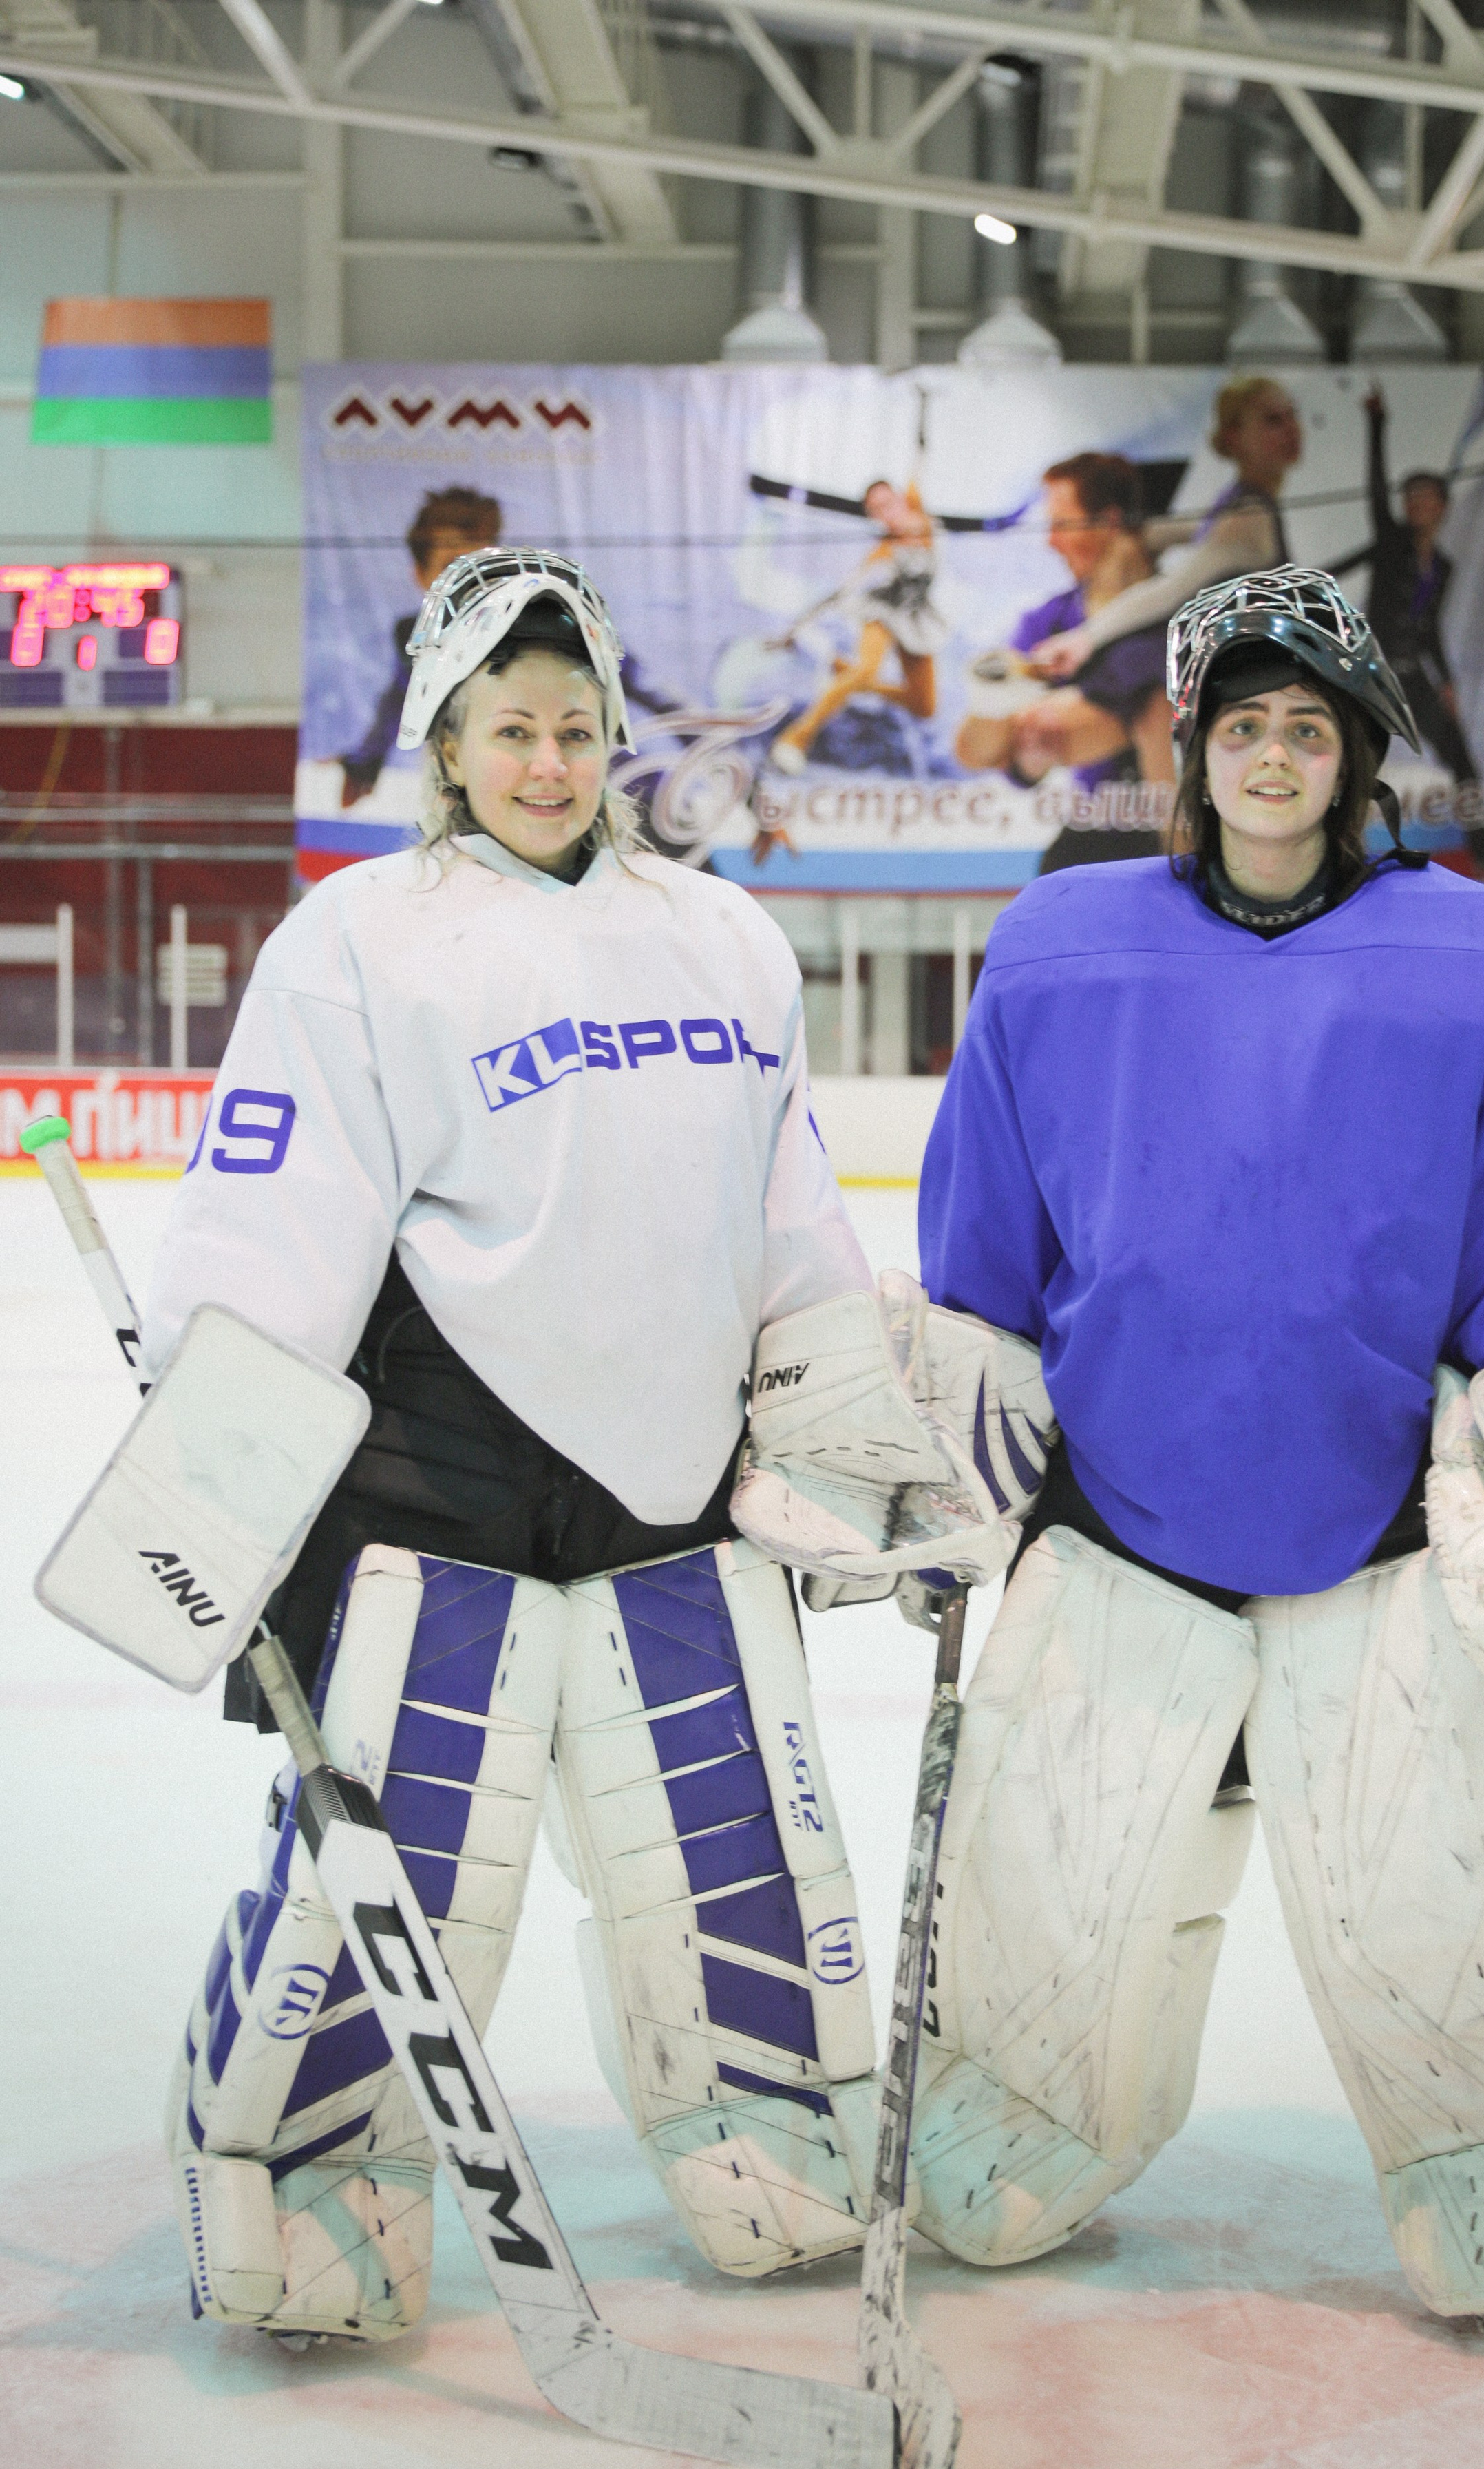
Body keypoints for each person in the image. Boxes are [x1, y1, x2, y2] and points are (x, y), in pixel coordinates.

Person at [145, 547, 921, 2344]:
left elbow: (787, 1210)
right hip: (441, 1479)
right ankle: (311, 2178)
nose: (551, 759)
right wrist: (222, 1475)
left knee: (727, 1835)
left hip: (677, 1486)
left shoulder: (723, 937)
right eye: (513, 726)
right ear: (447, 733)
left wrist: (844, 1421)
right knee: (406, 1855)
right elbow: (271, 1223)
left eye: (576, 727)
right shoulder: (357, 938)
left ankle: (762, 2127)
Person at [889, 566, 1484, 2320]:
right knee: (1050, 1899)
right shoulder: (1061, 947)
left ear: (1352, 756)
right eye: (1237, 724)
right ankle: (1010, 2132)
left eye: (1302, 727)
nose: (1267, 756)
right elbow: (984, 1260)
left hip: (1377, 1532)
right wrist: (950, 1426)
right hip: (1111, 1526)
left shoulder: (1469, 954)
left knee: (1433, 1905)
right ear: (1191, 749)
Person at [953, 452, 1175, 872]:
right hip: (1100, 831)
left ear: (1109, 522)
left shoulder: (1181, 617)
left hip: (1179, 839)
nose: (1049, 542)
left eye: (1060, 524)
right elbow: (974, 751)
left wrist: (1058, 717)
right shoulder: (1050, 621)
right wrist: (1025, 755)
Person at [1024, 376, 1302, 686]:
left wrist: (1087, 637)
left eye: (1293, 415)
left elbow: (1179, 578)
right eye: (1273, 420)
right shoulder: (1242, 508)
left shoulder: (1246, 512)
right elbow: (1180, 572)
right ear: (1235, 437)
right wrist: (1087, 638)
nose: (1292, 429)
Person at [1329, 384, 1484, 870]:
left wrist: (1447, 685)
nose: (1416, 504)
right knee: (1359, 765)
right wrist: (1377, 423)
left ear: (1442, 506)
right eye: (1410, 497)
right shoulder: (1391, 541)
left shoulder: (1442, 566)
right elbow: (1376, 488)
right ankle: (1337, 851)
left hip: (1415, 677)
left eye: (1426, 497)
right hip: (1377, 675)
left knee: (1463, 761)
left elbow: (1430, 631)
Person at [336, 485, 502, 806]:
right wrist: (364, 763)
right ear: (421, 575)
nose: (469, 581)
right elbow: (401, 697)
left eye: (481, 567)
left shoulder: (532, 625)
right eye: (451, 567)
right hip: (450, 777)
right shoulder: (414, 635)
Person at [768, 479, 945, 773]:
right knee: (866, 669)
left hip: (915, 619)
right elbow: (840, 594)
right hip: (882, 611)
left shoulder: (922, 520)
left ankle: (846, 673)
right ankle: (796, 738)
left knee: (924, 705)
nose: (885, 513)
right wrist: (795, 630)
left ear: (901, 500)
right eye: (877, 511)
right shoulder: (881, 553)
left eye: (888, 504)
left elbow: (917, 467)